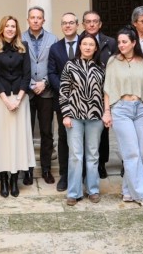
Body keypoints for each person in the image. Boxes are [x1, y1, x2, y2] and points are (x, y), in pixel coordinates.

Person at [104, 27, 143, 209]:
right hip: (121, 109)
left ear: (134, 43)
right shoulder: (113, 61)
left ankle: (128, 191)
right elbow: (108, 88)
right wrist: (107, 111)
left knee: (139, 153)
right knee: (131, 153)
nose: (121, 45)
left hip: (142, 109)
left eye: (124, 42)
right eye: (119, 42)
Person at [0, 15, 35, 198]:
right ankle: (4, 179)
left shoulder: (24, 48)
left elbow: (27, 75)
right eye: (7, 26)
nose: (10, 29)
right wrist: (6, 100)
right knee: (2, 139)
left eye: (13, 26)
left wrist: (19, 98)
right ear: (2, 28)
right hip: (1, 101)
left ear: (17, 29)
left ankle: (15, 178)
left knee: (17, 138)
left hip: (20, 100)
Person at [59, 34, 105, 205]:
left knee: (93, 155)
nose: (87, 47)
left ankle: (93, 189)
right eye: (84, 44)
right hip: (74, 116)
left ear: (95, 48)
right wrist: (65, 114)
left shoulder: (101, 66)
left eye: (91, 44)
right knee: (76, 155)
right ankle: (74, 192)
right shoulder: (70, 65)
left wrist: (106, 112)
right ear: (79, 46)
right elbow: (64, 90)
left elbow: (104, 92)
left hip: (95, 116)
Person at [24, 6, 58, 185]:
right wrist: (30, 84)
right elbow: (18, 66)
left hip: (46, 92)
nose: (36, 20)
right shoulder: (20, 38)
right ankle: (27, 170)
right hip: (26, 93)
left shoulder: (53, 39)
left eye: (39, 18)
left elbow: (55, 65)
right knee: (26, 132)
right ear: (28, 20)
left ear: (43, 20)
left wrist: (44, 82)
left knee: (46, 132)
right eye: (32, 17)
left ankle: (46, 169)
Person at [81, 10, 116, 178]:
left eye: (95, 21)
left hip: (104, 93)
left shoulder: (111, 43)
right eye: (88, 21)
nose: (92, 24)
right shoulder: (79, 41)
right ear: (83, 24)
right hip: (81, 95)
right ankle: (82, 167)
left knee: (102, 131)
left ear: (100, 24)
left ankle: (101, 164)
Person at [47, 12, 79, 192]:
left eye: (71, 23)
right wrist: (66, 91)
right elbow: (51, 73)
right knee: (64, 137)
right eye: (64, 23)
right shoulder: (55, 48)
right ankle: (65, 175)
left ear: (77, 25)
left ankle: (81, 174)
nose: (67, 26)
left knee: (82, 138)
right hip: (63, 101)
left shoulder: (86, 44)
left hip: (85, 100)